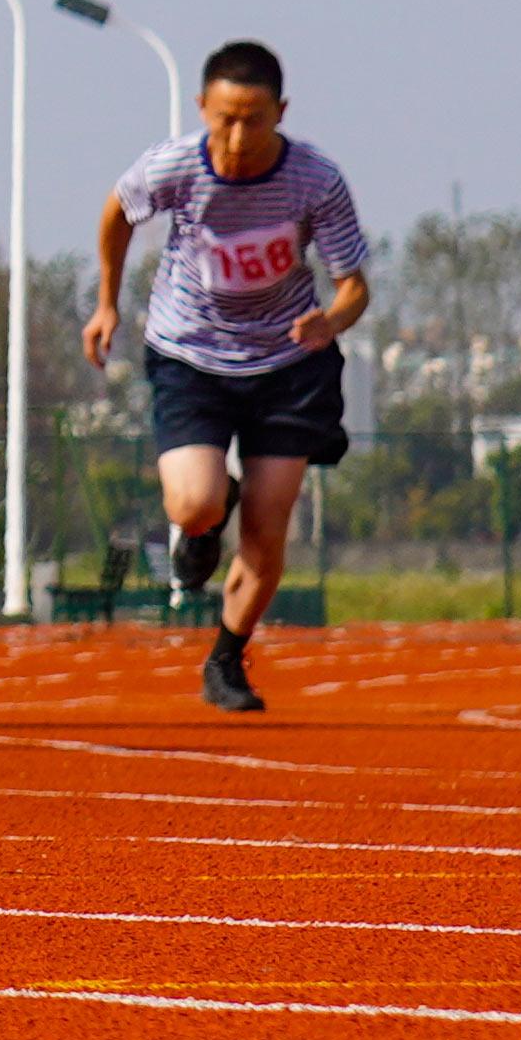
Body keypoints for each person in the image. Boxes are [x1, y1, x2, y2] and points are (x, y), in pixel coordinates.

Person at [86, 45, 372, 718]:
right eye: (224, 120)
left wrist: (332, 321)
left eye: (254, 119)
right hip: (191, 355)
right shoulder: (174, 166)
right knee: (194, 504)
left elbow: (354, 285)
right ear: (202, 111)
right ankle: (210, 512)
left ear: (281, 112)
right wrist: (106, 301)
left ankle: (226, 656)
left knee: (269, 528)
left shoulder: (315, 178)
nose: (238, 139)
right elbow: (114, 214)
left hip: (288, 364)